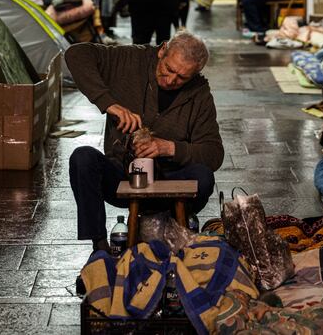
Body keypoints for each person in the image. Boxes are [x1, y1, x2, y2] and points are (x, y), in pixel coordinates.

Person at [66, 31, 224, 253]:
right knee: (82, 158)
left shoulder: (199, 93)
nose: (171, 81)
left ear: (195, 74)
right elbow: (76, 54)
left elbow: (214, 153)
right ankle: (99, 247)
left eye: (182, 78)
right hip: (124, 176)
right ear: (162, 51)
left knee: (204, 176)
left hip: (170, 182)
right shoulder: (131, 60)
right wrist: (108, 103)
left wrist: (167, 147)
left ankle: (169, 228)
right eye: (168, 69)